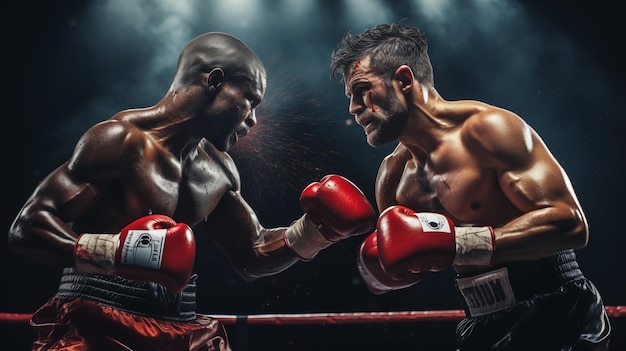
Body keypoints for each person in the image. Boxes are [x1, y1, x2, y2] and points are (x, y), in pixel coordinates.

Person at [8, 32, 377, 351]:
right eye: (250, 100)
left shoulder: (218, 170)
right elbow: (28, 227)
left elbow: (252, 254)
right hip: (94, 322)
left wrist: (314, 232)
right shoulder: (120, 141)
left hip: (179, 327)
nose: (252, 120)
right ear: (215, 81)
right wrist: (116, 252)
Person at [330, 23, 611, 350]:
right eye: (350, 97)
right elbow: (405, 266)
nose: (353, 107)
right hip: (480, 322)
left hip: (558, 310)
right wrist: (379, 272)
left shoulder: (488, 130)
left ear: (404, 80)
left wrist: (460, 243)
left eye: (362, 90)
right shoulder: (392, 177)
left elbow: (571, 224)